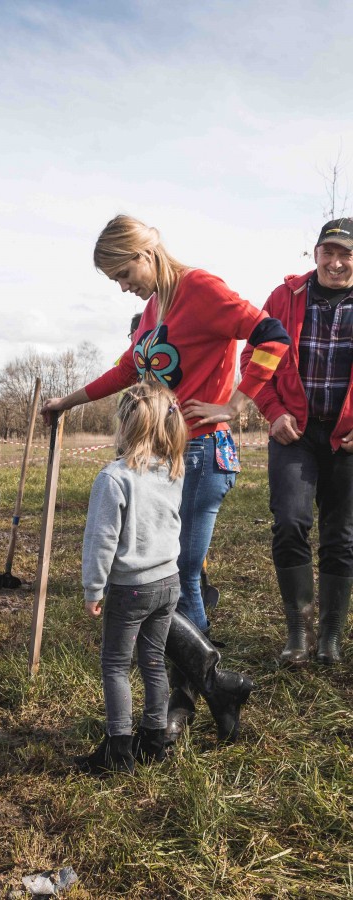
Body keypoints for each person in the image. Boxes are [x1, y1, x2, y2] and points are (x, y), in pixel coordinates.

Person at [43, 214, 292, 744]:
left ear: (146, 254)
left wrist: (235, 402)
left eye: (122, 274)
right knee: (175, 577)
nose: (123, 286)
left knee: (176, 574)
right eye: (114, 280)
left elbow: (272, 334)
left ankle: (198, 690)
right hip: (166, 457)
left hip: (201, 452)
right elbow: (127, 370)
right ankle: (207, 688)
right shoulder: (155, 308)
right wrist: (69, 400)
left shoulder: (201, 289)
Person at [236, 218, 353, 667]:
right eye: (329, 252)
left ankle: (330, 638)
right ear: (316, 252)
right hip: (294, 432)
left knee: (341, 536)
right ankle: (298, 636)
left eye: (346, 254)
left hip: (346, 437)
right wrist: (272, 410)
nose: (337, 262)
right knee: (289, 522)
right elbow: (253, 359)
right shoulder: (284, 298)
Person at [76, 383, 185, 775]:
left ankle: (118, 750)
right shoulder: (174, 470)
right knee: (154, 660)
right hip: (168, 582)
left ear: (126, 426)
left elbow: (101, 540)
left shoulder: (114, 478)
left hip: (132, 587)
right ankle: (155, 738)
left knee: (116, 665)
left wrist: (94, 587)